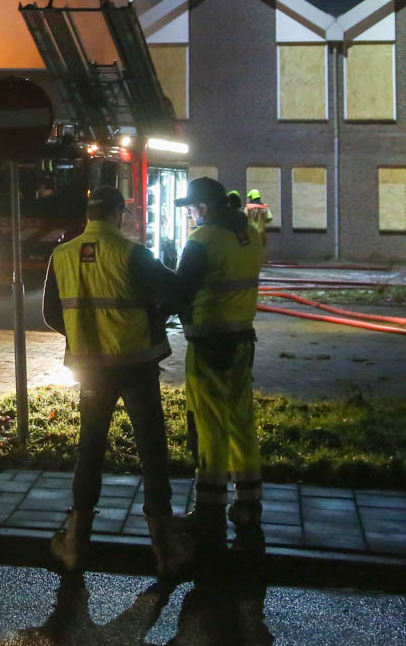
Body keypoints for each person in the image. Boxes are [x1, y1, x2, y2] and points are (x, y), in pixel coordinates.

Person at [41, 185, 183, 576]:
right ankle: (166, 549)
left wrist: (81, 334)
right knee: (152, 450)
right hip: (136, 366)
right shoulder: (134, 254)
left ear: (89, 214)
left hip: (91, 369)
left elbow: (51, 313)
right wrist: (153, 319)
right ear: (119, 213)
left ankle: (74, 545)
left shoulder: (62, 254)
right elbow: (176, 292)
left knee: (90, 450)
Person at [170, 177, 264, 548]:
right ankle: (248, 504)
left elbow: (181, 290)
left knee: (210, 424)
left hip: (209, 343)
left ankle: (208, 511)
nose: (190, 216)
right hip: (243, 340)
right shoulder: (250, 235)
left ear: (204, 208)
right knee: (241, 420)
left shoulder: (203, 239)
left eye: (191, 208)